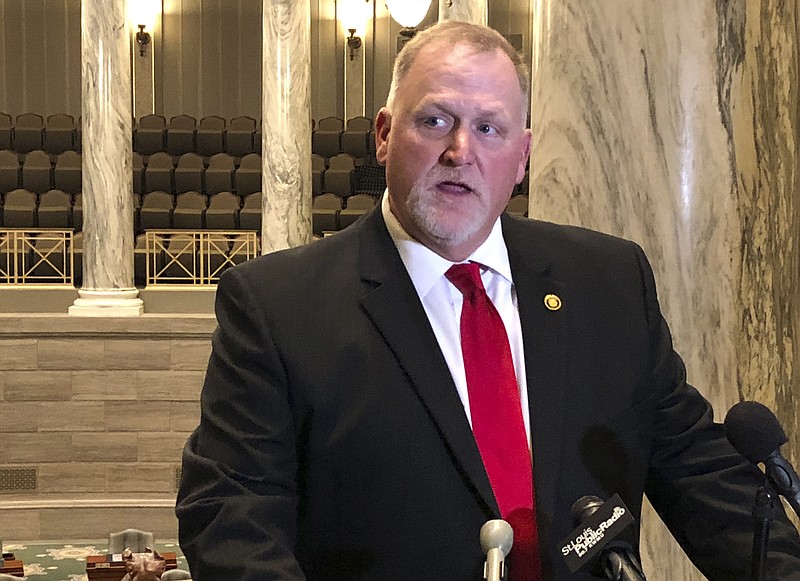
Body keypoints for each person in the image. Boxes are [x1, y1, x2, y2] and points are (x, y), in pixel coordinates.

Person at [176, 21, 800, 580]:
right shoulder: (278, 305)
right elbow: (232, 520)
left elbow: (698, 470)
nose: (461, 152)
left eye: (489, 128)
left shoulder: (607, 280)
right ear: (385, 136)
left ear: (523, 156)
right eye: (435, 120)